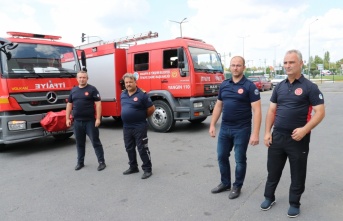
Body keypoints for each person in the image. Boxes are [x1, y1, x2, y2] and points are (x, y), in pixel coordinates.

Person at [260, 50, 325, 218]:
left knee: (297, 173)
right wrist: (267, 132)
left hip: (298, 138)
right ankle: (269, 197)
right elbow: (272, 111)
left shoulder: (310, 87)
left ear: (301, 63)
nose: (288, 66)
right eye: (285, 62)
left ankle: (294, 203)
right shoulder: (280, 87)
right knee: (273, 170)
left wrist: (304, 130)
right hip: (277, 136)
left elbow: (320, 112)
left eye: (292, 62)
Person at [209, 56, 262, 199]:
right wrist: (212, 124)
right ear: (230, 67)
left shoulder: (250, 86)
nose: (235, 68)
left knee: (239, 159)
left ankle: (237, 186)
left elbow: (257, 110)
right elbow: (219, 105)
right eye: (233, 65)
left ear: (244, 67)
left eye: (238, 65)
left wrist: (255, 133)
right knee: (221, 156)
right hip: (225, 128)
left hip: (242, 129)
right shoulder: (224, 85)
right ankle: (225, 183)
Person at [66, 70, 106, 171]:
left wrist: (98, 118)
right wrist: (67, 118)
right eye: (80, 77)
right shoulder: (73, 90)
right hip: (77, 122)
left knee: (95, 142)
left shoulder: (92, 89)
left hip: (90, 122)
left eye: (84, 77)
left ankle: (101, 162)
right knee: (79, 143)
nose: (82, 79)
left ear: (87, 78)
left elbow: (98, 104)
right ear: (77, 78)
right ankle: (80, 162)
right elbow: (69, 104)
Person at [120, 73, 155, 179]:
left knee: (142, 148)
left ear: (135, 82)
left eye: (131, 82)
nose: (128, 84)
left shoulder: (142, 95)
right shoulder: (123, 94)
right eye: (126, 82)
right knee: (129, 148)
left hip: (139, 126)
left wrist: (141, 117)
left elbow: (151, 108)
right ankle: (133, 167)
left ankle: (147, 169)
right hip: (127, 127)